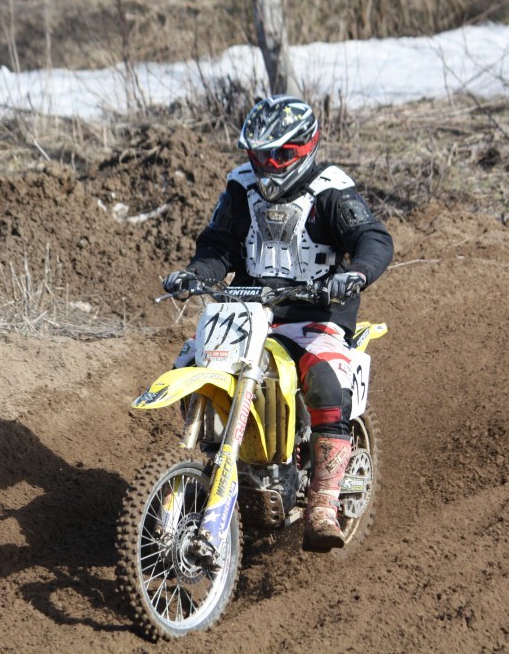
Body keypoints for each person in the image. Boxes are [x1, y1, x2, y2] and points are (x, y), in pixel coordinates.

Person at [162, 94, 394, 551]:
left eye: (279, 155)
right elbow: (219, 245)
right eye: (260, 155)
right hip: (250, 312)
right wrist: (196, 273)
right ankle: (214, 459)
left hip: (315, 313)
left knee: (325, 382)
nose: (268, 166)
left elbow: (372, 237)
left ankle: (323, 502)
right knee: (191, 361)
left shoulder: (331, 190)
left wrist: (355, 274)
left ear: (304, 148)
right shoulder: (240, 187)